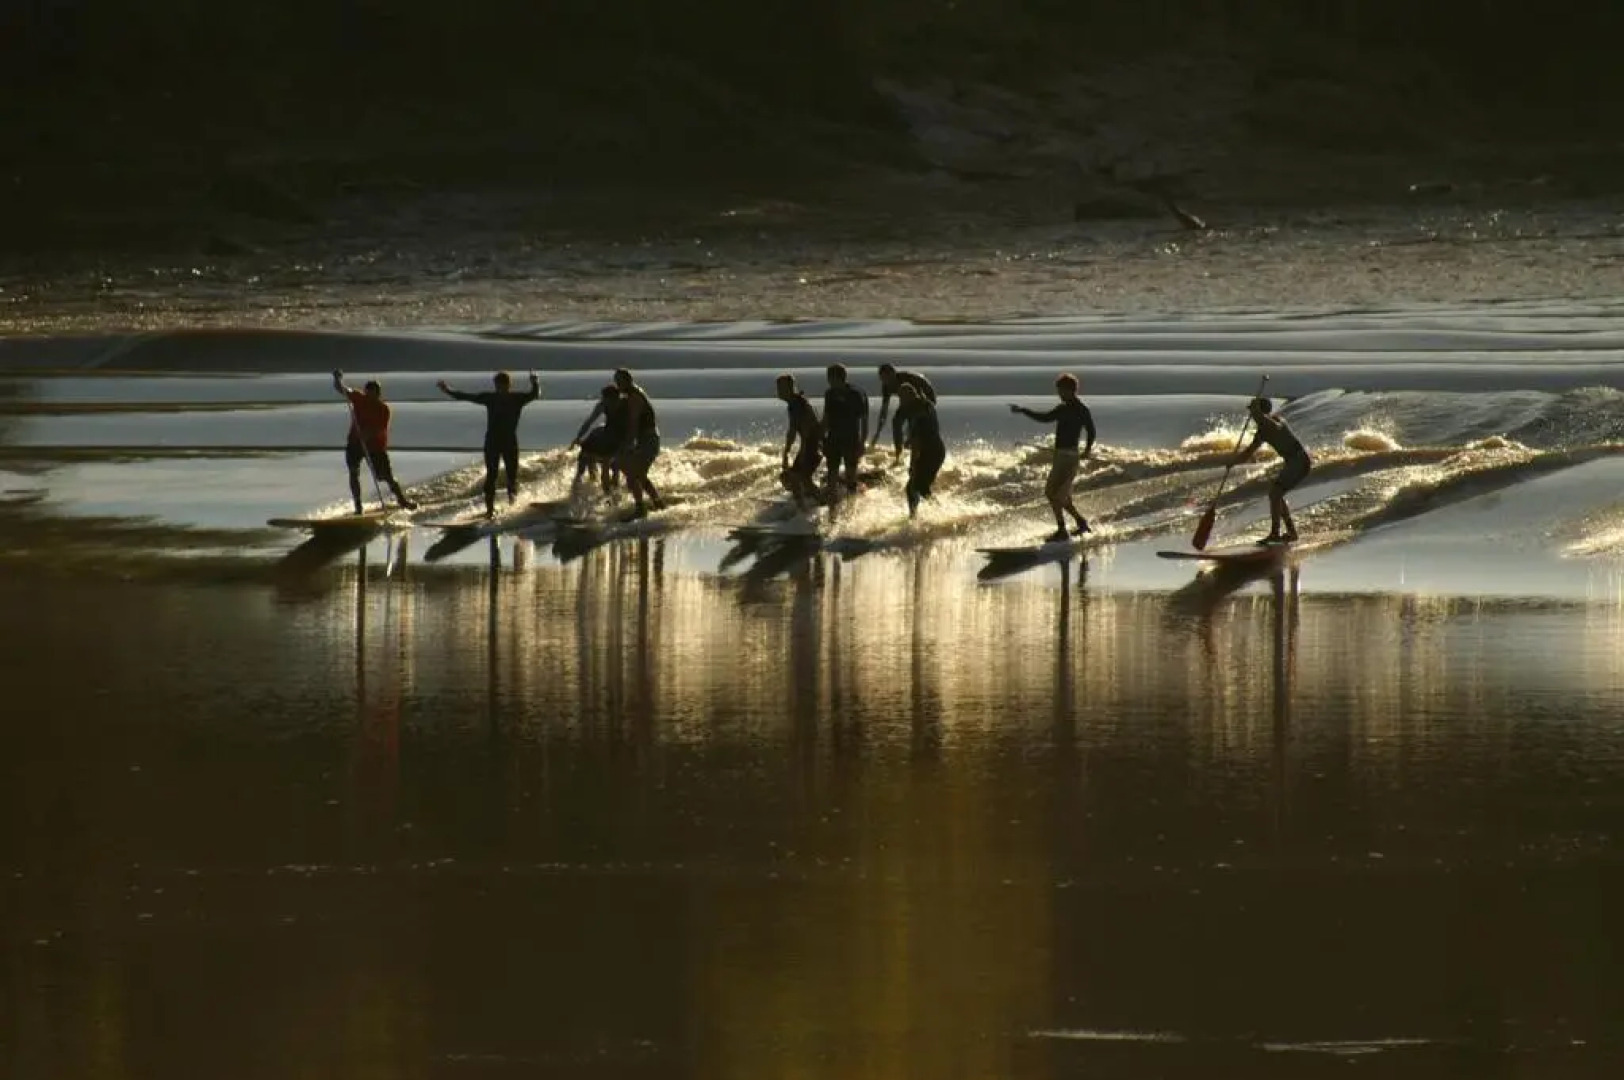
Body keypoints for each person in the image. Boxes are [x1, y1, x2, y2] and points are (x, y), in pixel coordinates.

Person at [435, 370, 541, 518]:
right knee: (492, 475)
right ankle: (490, 510)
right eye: (497, 386)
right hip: (493, 442)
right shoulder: (490, 398)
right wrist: (447, 390)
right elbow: (466, 396)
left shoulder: (516, 398)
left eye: (502, 386)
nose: (499, 389)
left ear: (508, 385)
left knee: (512, 476)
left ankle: (513, 506)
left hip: (509, 442)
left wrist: (535, 381)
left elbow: (534, 395)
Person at [1010, 373, 1096, 541]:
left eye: (1061, 391)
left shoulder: (1082, 410)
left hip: (1070, 457)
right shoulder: (1062, 409)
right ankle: (1079, 522)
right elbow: (1045, 418)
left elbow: (1091, 431)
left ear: (1071, 390)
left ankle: (1063, 529)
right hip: (1059, 456)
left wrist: (1087, 450)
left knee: (1060, 496)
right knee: (1051, 493)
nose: (1059, 394)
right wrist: (1024, 411)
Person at [331, 370, 417, 513]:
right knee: (353, 473)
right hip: (355, 444)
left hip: (376, 447)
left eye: (373, 394)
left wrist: (366, 436)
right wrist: (337, 378)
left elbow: (379, 429)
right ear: (365, 392)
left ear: (378, 394)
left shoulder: (383, 409)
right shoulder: (359, 398)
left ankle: (402, 501)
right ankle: (358, 507)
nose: (369, 396)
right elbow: (341, 389)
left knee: (385, 477)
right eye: (367, 393)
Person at [1234, 395, 1311, 544]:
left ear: (1261, 412)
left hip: (1300, 461)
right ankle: (1291, 532)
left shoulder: (1275, 421)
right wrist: (1232, 462)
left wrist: (1257, 411)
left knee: (1275, 494)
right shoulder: (1262, 431)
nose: (1251, 416)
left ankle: (1275, 534)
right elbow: (1248, 453)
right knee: (1277, 495)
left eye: (1253, 412)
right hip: (1292, 462)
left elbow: (1274, 426)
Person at [613, 368, 665, 517]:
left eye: (619, 381)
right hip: (645, 439)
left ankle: (641, 508)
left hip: (648, 440)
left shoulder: (635, 397)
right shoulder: (629, 396)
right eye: (616, 381)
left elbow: (634, 424)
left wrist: (628, 444)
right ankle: (657, 503)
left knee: (634, 474)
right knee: (640, 475)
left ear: (627, 381)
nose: (617, 385)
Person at [895, 383, 946, 518]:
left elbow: (917, 443)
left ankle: (934, 514)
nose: (900, 402)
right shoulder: (925, 404)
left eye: (901, 398)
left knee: (917, 487)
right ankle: (917, 515)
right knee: (917, 487)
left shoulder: (917, 411)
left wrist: (912, 465)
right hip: (936, 450)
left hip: (931, 452)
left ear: (910, 396)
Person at [820, 363, 868, 500]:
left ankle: (851, 505)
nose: (828, 381)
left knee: (851, 474)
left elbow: (864, 420)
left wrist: (862, 442)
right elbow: (826, 417)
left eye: (830, 378)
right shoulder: (829, 394)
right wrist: (820, 437)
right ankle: (832, 506)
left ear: (839, 378)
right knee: (832, 474)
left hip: (851, 438)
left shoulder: (856, 394)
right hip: (833, 438)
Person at [776, 373, 823, 508]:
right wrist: (786, 452)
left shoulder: (798, 404)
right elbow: (792, 431)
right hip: (809, 445)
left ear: (789, 388)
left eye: (780, 388)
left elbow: (807, 430)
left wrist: (802, 452)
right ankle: (804, 500)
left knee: (801, 478)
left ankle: (821, 502)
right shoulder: (792, 404)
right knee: (788, 477)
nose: (778, 391)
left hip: (812, 445)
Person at [569, 384, 626, 493]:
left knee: (613, 466)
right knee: (585, 456)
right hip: (607, 434)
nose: (604, 400)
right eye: (603, 399)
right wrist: (578, 437)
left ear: (615, 398)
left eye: (606, 399)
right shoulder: (603, 404)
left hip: (619, 438)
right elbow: (590, 421)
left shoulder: (625, 405)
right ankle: (577, 489)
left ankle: (611, 492)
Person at [871, 363, 937, 456]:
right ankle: (899, 450)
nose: (886, 381)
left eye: (887, 378)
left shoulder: (908, 379)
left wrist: (928, 406)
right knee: (896, 421)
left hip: (923, 399)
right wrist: (878, 432)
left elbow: (922, 395)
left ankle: (915, 447)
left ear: (893, 374)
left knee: (913, 424)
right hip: (907, 403)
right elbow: (884, 409)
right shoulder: (886, 386)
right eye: (883, 379)